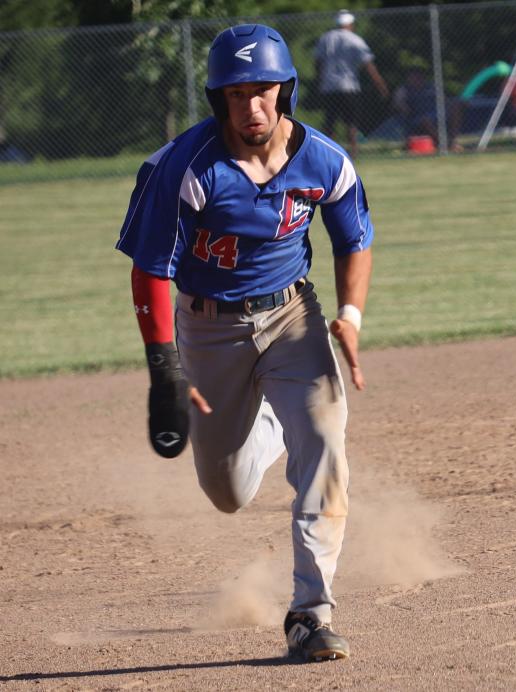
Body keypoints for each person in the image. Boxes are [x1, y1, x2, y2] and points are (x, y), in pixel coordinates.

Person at [115, 23, 374, 662]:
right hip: (210, 328)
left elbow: (354, 238)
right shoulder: (189, 167)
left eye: (262, 91)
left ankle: (311, 613)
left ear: (284, 91)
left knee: (325, 442)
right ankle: (272, 417)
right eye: (235, 94)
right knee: (227, 493)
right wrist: (165, 369)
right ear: (218, 99)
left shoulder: (323, 160)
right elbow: (151, 271)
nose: (250, 106)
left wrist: (349, 314)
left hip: (293, 315)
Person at [314, 9, 389, 158]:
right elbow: (368, 64)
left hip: (329, 86)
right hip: (349, 86)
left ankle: (327, 153)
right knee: (351, 122)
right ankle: (353, 152)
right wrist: (380, 84)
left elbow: (318, 62)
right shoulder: (355, 40)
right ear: (350, 24)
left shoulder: (325, 38)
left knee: (330, 121)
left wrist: (319, 79)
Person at [391, 67, 462, 152]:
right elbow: (397, 103)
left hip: (437, 113)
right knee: (426, 120)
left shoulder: (431, 87)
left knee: (456, 106)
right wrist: (404, 108)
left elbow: (445, 100)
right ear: (409, 78)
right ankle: (447, 144)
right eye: (414, 77)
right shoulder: (403, 90)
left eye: (419, 76)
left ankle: (453, 139)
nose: (417, 79)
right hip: (417, 117)